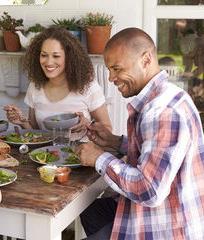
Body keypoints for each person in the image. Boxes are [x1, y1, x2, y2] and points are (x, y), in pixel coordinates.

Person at [76, 27, 204, 239]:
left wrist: (99, 158)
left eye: (116, 69)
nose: (111, 78)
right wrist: (116, 142)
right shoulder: (170, 95)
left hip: (169, 227)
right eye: (109, 70)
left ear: (145, 60)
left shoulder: (162, 111)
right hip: (169, 210)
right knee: (92, 212)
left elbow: (150, 190)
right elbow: (158, 150)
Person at [4, 27, 112, 140]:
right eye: (44, 55)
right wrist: (23, 122)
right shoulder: (35, 86)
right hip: (45, 155)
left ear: (69, 57)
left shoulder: (88, 86)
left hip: (80, 155)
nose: (48, 62)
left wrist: (87, 124)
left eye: (56, 56)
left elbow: (108, 130)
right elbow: (36, 133)